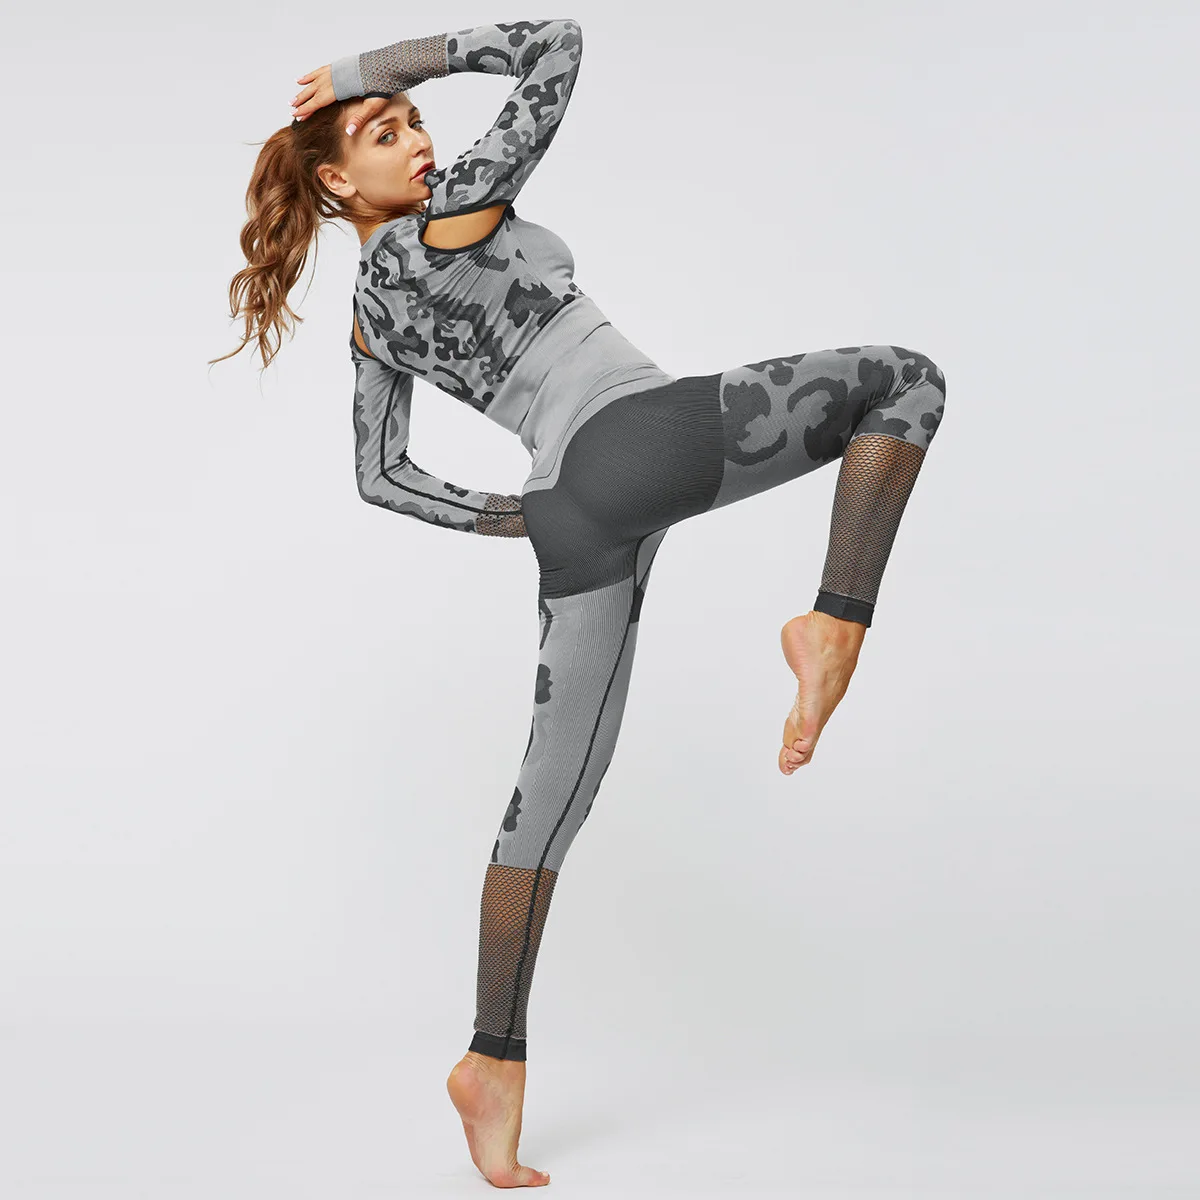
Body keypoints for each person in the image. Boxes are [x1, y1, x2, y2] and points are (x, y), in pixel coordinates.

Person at [213, 17, 947, 1188]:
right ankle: (834, 620)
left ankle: (491, 1060)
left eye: (414, 121)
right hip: (627, 438)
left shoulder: (367, 316)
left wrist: (525, 515)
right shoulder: (450, 212)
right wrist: (364, 69)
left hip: (576, 510)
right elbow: (554, 44)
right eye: (384, 133)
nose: (418, 139)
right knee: (904, 382)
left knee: (549, 802)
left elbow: (380, 475)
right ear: (338, 182)